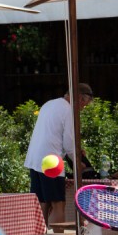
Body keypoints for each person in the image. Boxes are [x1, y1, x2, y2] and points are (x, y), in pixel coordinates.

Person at [24, 83, 93, 225]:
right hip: (50, 161)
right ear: (79, 98)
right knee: (58, 204)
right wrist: (78, 162)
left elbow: (52, 133)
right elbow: (69, 143)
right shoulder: (68, 110)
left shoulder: (49, 104)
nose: (83, 108)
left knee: (43, 202)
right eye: (84, 105)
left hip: (35, 159)